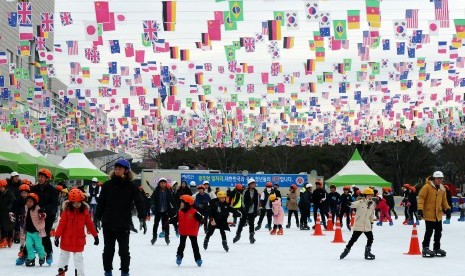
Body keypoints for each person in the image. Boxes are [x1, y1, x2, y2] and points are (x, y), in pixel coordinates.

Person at [94, 159, 146, 276]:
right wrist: (97, 217)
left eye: (120, 169)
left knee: (124, 252)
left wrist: (142, 217)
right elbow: (101, 203)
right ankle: (107, 271)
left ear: (126, 171)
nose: (117, 171)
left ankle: (125, 272)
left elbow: (139, 202)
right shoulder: (107, 185)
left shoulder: (131, 187)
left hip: (123, 224)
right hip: (108, 223)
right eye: (116, 169)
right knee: (108, 251)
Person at [54, 189, 99, 276]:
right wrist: (57, 237)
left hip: (79, 240)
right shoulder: (66, 211)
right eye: (74, 202)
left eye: (79, 202)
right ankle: (61, 271)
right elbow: (61, 224)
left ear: (82, 201)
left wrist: (95, 236)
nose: (77, 204)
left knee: (78, 259)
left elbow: (89, 224)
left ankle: (80, 274)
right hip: (67, 239)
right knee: (64, 256)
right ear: (71, 202)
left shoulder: (85, 211)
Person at [417, 171, 451, 258]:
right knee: (429, 231)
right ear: (434, 178)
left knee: (438, 232)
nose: (440, 180)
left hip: (438, 214)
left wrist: (447, 209)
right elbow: (421, 198)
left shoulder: (442, 188)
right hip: (429, 213)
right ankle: (425, 248)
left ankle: (436, 248)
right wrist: (420, 210)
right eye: (438, 179)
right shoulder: (427, 187)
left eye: (441, 179)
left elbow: (444, 201)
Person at [339, 188, 376, 260]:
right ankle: (346, 251)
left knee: (370, 238)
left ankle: (367, 252)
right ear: (365, 196)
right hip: (359, 224)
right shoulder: (360, 202)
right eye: (368, 195)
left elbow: (371, 214)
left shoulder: (372, 204)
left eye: (371, 195)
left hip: (367, 225)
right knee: (353, 239)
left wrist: (371, 223)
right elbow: (353, 204)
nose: (370, 197)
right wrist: (349, 203)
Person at [30, 168, 58, 265]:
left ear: (47, 178)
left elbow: (55, 203)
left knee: (45, 234)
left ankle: (49, 253)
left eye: (42, 177)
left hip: (48, 215)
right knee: (32, 234)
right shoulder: (34, 188)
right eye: (39, 177)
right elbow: (30, 200)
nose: (40, 179)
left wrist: (45, 209)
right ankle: (28, 254)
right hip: (35, 215)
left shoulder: (52, 190)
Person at [171, 195, 203, 267]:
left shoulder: (194, 212)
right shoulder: (180, 212)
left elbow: (201, 217)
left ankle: (198, 259)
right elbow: (175, 219)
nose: (180, 204)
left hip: (192, 232)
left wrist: (201, 219)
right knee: (181, 245)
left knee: (195, 246)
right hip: (183, 231)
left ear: (187, 203)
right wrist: (169, 221)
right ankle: (179, 256)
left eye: (182, 202)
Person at [23, 193, 47, 267]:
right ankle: (31, 257)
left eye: (30, 202)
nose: (28, 203)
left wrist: (43, 214)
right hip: (29, 232)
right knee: (28, 245)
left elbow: (43, 216)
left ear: (35, 202)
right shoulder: (26, 208)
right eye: (27, 201)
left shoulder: (38, 209)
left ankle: (42, 256)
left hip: (37, 232)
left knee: (38, 246)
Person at [233, 178, 259, 244]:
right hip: (245, 210)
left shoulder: (256, 192)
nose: (253, 185)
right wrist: (244, 209)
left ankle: (251, 236)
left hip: (252, 210)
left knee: (251, 224)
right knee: (241, 223)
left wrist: (256, 210)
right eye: (252, 184)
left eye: (254, 183)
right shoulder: (245, 191)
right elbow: (242, 201)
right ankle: (238, 235)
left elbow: (257, 202)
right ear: (249, 184)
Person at [150, 177, 176, 245]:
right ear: (159, 184)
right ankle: (154, 237)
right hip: (158, 211)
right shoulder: (156, 191)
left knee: (166, 225)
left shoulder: (168, 191)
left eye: (164, 183)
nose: (163, 184)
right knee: (156, 224)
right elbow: (152, 199)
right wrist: (152, 205)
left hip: (166, 211)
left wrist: (175, 209)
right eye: (161, 183)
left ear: (166, 184)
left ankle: (167, 237)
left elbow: (172, 201)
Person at [14, 184, 31, 265]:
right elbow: (16, 211)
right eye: (22, 193)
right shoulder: (18, 201)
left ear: (28, 193)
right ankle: (22, 248)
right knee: (22, 236)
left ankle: (28, 250)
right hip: (22, 221)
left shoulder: (30, 200)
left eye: (25, 193)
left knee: (29, 237)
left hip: (30, 221)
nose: (23, 194)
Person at [0, 179, 15, 248]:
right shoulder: (0, 193)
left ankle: (10, 239)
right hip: (2, 212)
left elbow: (12, 202)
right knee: (2, 226)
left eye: (1, 187)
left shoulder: (10, 193)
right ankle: (3, 239)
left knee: (9, 226)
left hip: (9, 213)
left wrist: (8, 208)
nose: (0, 189)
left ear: (5, 186)